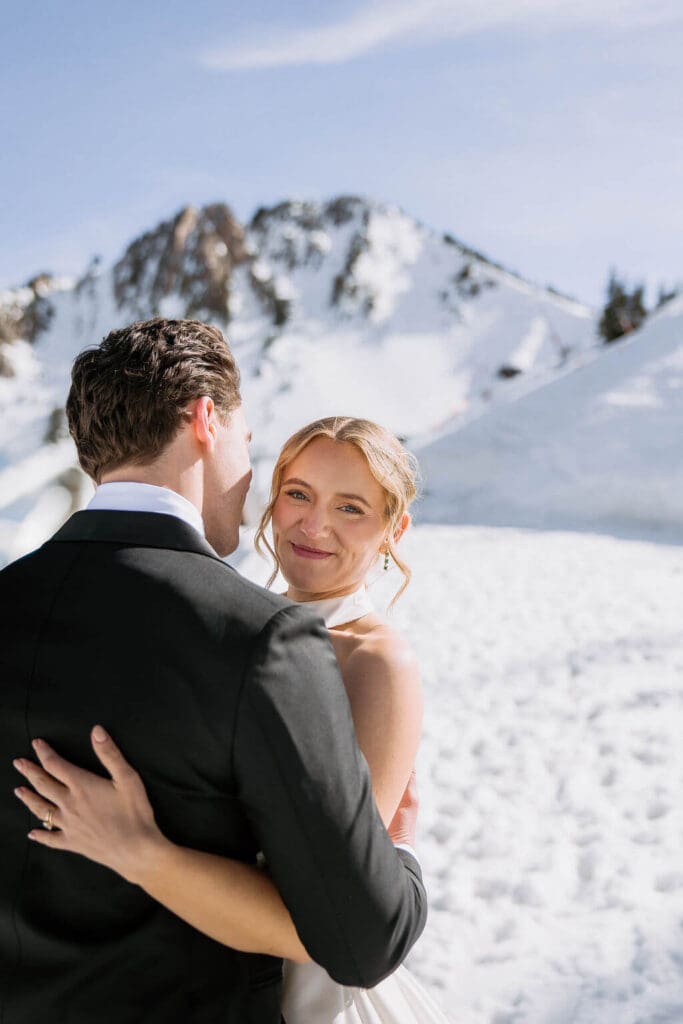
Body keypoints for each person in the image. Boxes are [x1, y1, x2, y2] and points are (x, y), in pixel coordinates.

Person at [0, 319, 427, 1024]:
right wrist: (403, 855)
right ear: (206, 420)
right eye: (285, 481)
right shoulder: (252, 636)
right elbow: (360, 927)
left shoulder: (20, 596)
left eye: (349, 507)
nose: (309, 521)